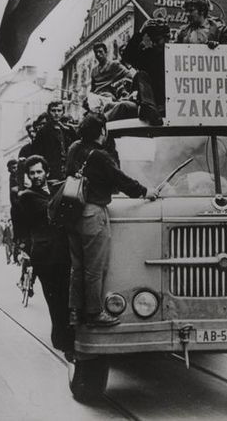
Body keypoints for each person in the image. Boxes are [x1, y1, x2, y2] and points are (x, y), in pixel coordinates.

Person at [66, 113, 157, 326]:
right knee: (95, 268)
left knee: (77, 266)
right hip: (92, 212)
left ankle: (74, 312)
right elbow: (121, 180)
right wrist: (145, 191)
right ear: (102, 132)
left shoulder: (74, 149)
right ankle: (95, 313)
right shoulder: (100, 155)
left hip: (72, 213)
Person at [18, 155, 73, 355]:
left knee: (66, 295)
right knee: (55, 298)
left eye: (39, 171)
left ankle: (64, 335)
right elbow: (51, 209)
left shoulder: (54, 187)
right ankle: (60, 339)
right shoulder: (27, 196)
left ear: (46, 172)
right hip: (45, 255)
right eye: (32, 173)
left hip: (63, 252)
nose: (36, 176)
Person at [121, 18, 170, 113]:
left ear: (167, 38)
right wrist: (140, 33)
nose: (154, 43)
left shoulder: (177, 54)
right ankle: (150, 108)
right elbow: (128, 57)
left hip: (170, 101)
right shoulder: (150, 55)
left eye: (158, 40)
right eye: (152, 40)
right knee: (141, 75)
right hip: (153, 102)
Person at [32, 101, 77, 181]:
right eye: (53, 110)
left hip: (68, 172)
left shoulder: (68, 130)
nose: (56, 113)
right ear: (49, 112)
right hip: (51, 173)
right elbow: (38, 155)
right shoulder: (43, 132)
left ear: (63, 112)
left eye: (59, 110)